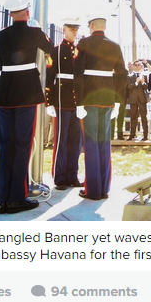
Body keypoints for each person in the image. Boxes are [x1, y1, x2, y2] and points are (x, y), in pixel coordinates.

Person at [0, 0, 53, 214]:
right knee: (22, 146)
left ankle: (4, 199)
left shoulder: (1, 35)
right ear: (27, 13)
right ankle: (17, 198)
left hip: (5, 94)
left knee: (6, 147)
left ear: (11, 14)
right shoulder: (35, 32)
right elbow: (50, 49)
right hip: (26, 93)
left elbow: (0, 62)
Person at [74, 16, 128, 201]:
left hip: (89, 98)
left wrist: (79, 102)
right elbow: (122, 75)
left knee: (90, 144)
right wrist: (118, 101)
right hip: (107, 99)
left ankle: (93, 190)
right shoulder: (114, 46)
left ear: (91, 26)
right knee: (103, 143)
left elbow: (78, 74)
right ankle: (104, 187)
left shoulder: (84, 43)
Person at [44, 19, 84, 190]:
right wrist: (49, 101)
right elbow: (49, 76)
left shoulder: (80, 51)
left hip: (77, 103)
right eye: (72, 29)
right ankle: (60, 177)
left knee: (75, 141)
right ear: (64, 30)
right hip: (61, 100)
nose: (75, 32)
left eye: (77, 29)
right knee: (61, 141)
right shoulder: (56, 50)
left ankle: (72, 175)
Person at [127, 60, 149, 140]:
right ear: (133, 66)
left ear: (141, 66)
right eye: (135, 65)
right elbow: (129, 87)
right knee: (133, 117)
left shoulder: (144, 75)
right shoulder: (129, 76)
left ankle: (145, 135)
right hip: (133, 99)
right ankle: (132, 134)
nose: (137, 66)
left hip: (142, 99)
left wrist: (143, 82)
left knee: (144, 117)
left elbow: (147, 87)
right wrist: (136, 83)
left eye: (138, 65)